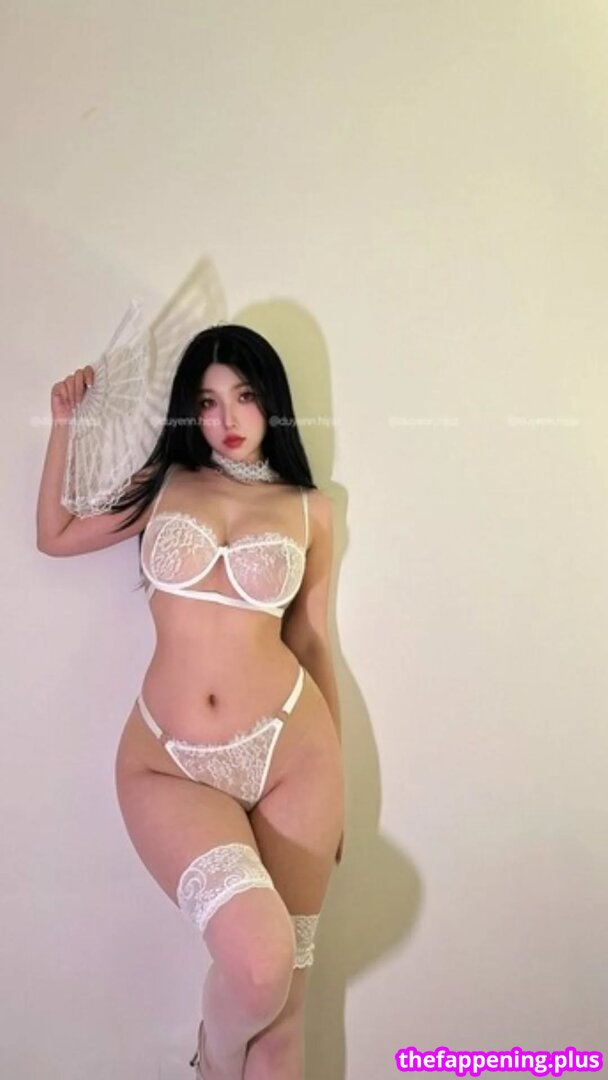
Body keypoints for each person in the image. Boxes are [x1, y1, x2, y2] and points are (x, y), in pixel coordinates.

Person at [36, 324, 344, 1080]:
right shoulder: (166, 483)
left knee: (287, 1017)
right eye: (207, 402)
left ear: (272, 401)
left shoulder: (312, 510)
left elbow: (311, 642)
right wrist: (65, 423)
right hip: (167, 763)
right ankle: (214, 1057)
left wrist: (340, 782)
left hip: (294, 758)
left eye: (244, 396)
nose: (227, 418)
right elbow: (56, 534)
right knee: (260, 965)